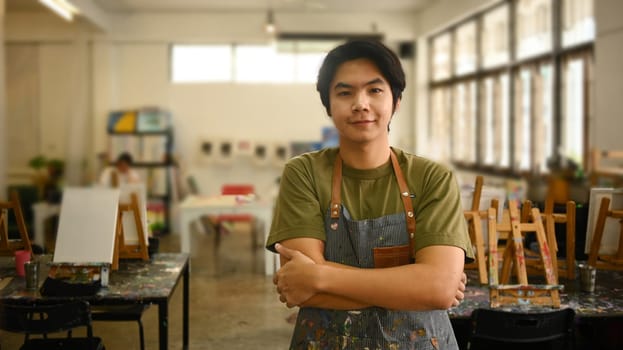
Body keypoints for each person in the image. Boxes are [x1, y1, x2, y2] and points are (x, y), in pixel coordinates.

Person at [266, 40, 474, 349]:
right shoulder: (304, 173)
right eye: (345, 92)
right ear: (328, 105)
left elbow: (439, 290)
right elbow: (299, 288)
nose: (360, 103)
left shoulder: (432, 178)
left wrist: (320, 276)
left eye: (375, 90)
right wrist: (414, 286)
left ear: (396, 100)